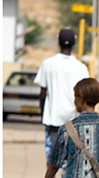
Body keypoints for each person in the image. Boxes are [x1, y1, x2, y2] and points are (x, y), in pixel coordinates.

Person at [35, 28, 89, 159]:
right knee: (70, 160)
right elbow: (85, 95)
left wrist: (43, 113)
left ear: (58, 41)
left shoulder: (48, 64)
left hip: (53, 120)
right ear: (74, 43)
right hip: (74, 122)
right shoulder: (81, 68)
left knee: (51, 160)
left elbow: (42, 93)